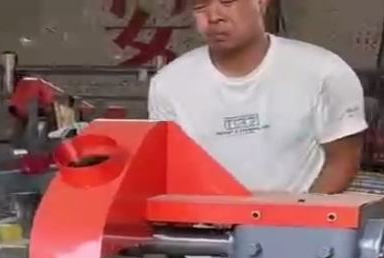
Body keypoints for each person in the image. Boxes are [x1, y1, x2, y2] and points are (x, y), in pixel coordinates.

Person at [149, 0, 366, 196]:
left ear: (261, 3)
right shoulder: (169, 83)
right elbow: (169, 169)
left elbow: (343, 161)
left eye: (227, 2)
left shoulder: (324, 72)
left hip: (299, 221)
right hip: (206, 223)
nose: (213, 16)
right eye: (200, 6)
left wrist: (302, 215)